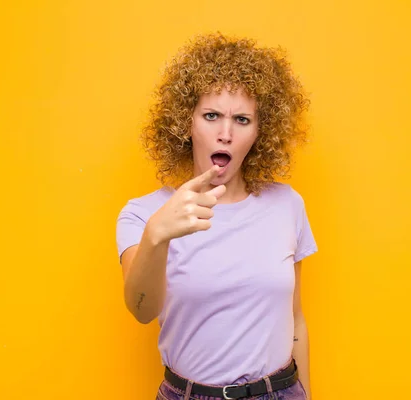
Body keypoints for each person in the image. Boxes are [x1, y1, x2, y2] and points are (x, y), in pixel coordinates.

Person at [116, 32, 318, 400]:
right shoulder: (144, 214)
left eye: (242, 119)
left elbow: (296, 321)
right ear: (186, 123)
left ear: (260, 132)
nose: (225, 134)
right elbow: (142, 310)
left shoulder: (287, 204)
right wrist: (156, 236)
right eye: (211, 116)